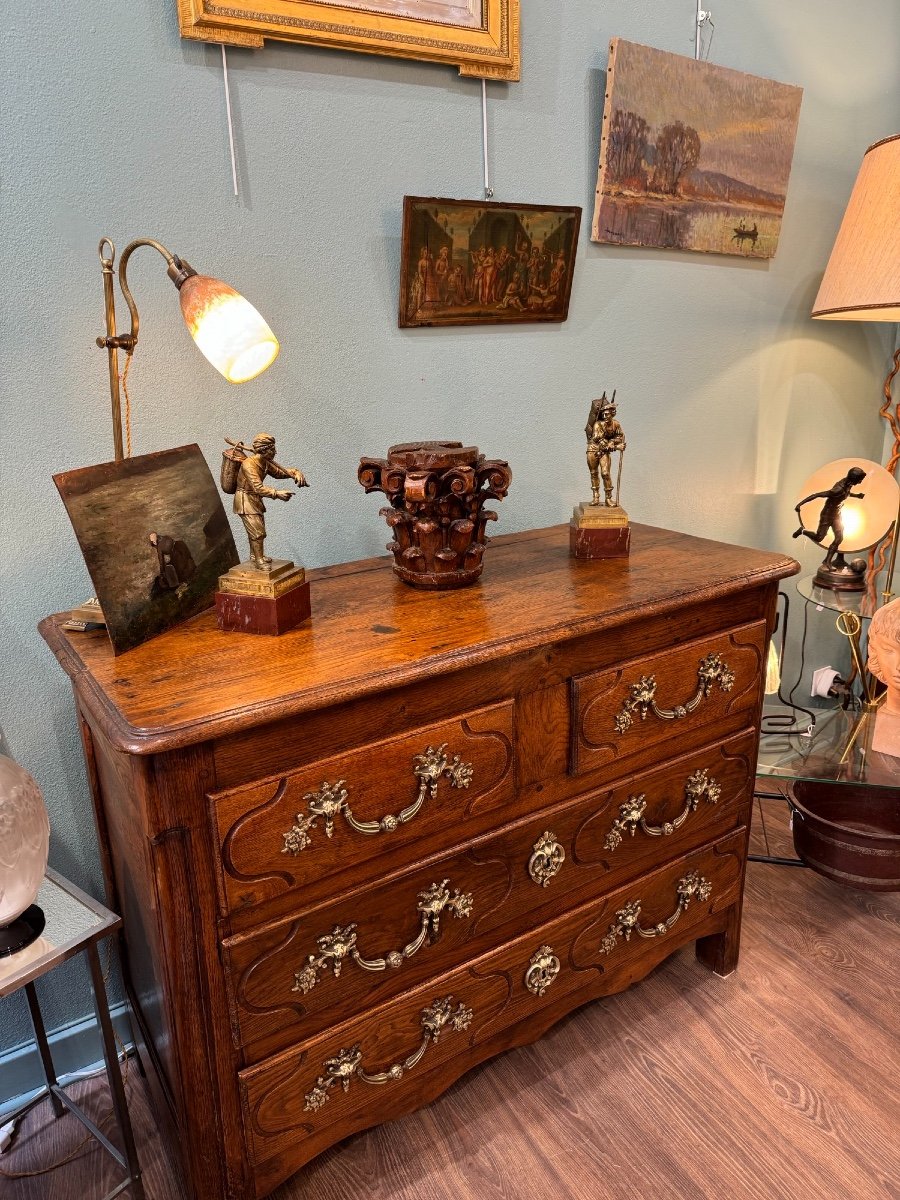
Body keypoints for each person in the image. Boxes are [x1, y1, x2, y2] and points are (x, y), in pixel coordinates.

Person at [232, 434, 307, 568]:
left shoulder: (265, 462)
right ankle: (259, 561)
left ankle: (255, 556)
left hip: (254, 500)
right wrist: (277, 493)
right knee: (257, 531)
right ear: (265, 450)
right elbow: (258, 488)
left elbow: (279, 473)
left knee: (256, 528)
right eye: (272, 450)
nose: (275, 452)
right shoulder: (249, 465)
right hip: (245, 500)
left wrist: (295, 472)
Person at [793, 466, 866, 569]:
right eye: (859, 480)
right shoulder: (837, 490)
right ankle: (802, 531)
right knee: (819, 538)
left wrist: (857, 496)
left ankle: (827, 561)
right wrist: (800, 504)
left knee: (839, 538)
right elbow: (817, 495)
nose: (860, 482)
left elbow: (846, 493)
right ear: (853, 479)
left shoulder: (848, 484)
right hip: (827, 515)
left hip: (837, 515)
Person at [586, 395, 626, 507]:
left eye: (607, 414)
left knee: (605, 473)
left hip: (604, 452)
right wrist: (616, 446)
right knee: (594, 473)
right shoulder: (598, 424)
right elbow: (600, 441)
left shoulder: (616, 424)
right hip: (593, 450)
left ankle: (608, 498)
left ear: (613, 413)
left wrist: (613, 441)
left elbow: (620, 436)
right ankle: (596, 496)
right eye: (603, 414)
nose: (604, 416)